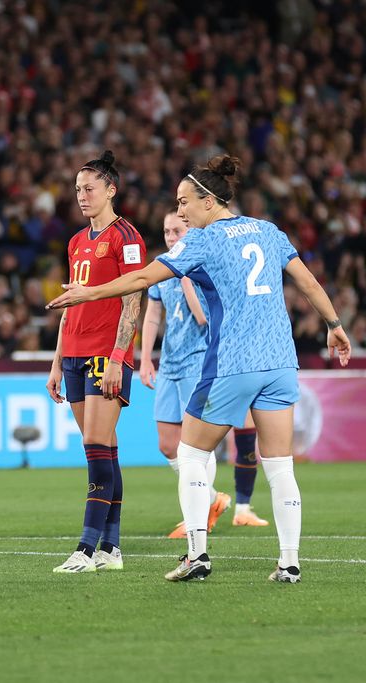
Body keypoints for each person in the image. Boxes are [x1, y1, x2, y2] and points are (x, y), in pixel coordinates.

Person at [48, 155, 352, 583]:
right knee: (280, 465)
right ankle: (288, 563)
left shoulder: (203, 240)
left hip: (232, 363)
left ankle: (197, 555)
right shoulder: (267, 230)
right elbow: (308, 281)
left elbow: (140, 280)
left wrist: (88, 292)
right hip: (281, 363)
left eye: (185, 202)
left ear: (209, 202)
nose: (182, 212)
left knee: (190, 454)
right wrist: (334, 325)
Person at [45, 150, 146, 574]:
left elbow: (133, 299)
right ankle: (112, 549)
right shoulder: (75, 242)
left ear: (111, 190)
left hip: (106, 353)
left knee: (95, 448)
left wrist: (120, 358)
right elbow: (71, 303)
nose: (82, 196)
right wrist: (55, 361)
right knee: (105, 451)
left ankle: (86, 549)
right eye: (77, 190)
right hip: (73, 352)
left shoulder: (128, 238)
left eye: (89, 188)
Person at [139, 213, 269, 538]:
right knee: (167, 445)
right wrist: (144, 359)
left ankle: (196, 513)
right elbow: (154, 315)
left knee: (195, 447)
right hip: (169, 363)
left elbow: (202, 319)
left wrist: (186, 277)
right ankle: (211, 499)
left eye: (177, 230)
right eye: (167, 231)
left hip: (199, 361)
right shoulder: (162, 267)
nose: (171, 237)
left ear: (191, 232)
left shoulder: (204, 267)